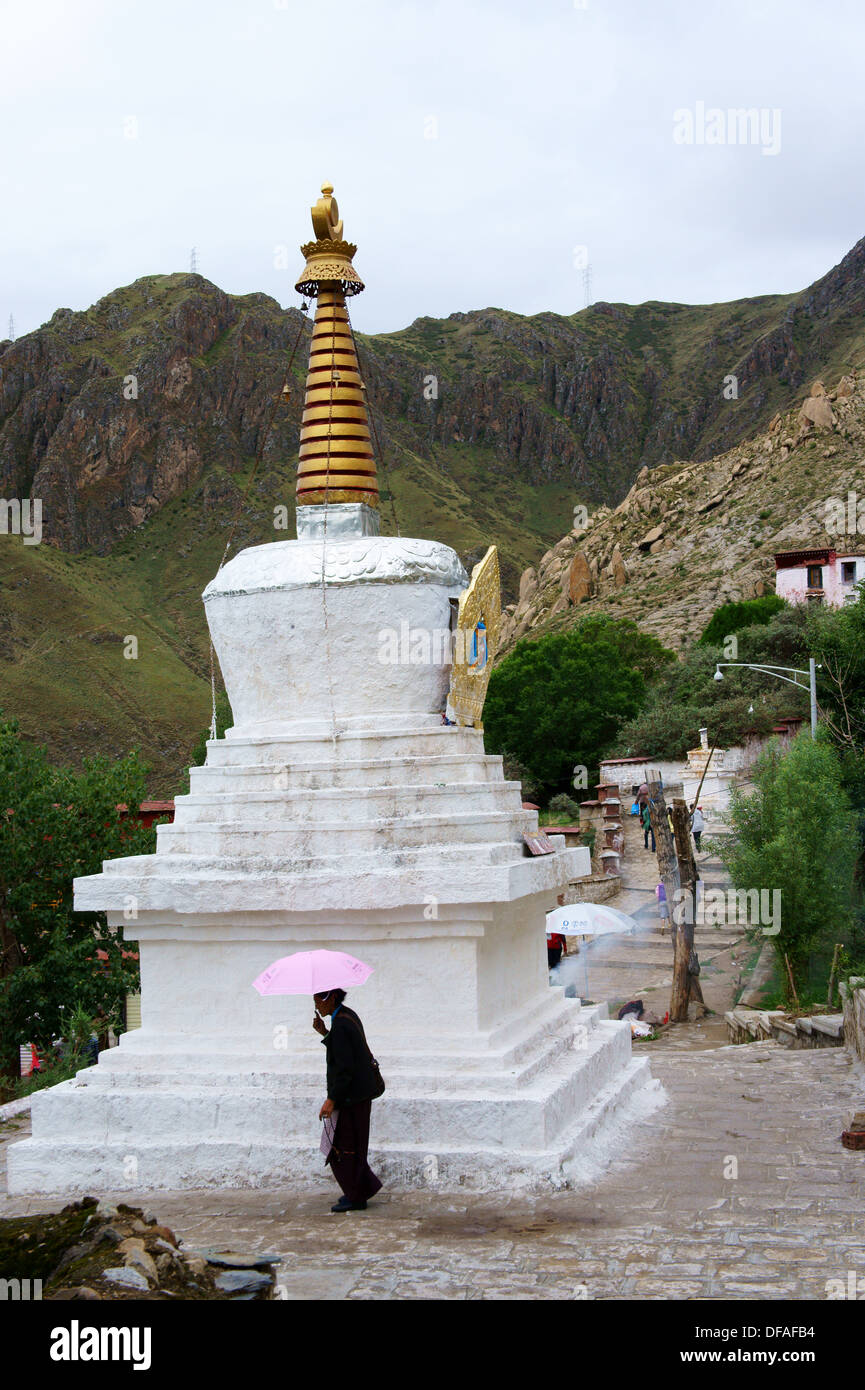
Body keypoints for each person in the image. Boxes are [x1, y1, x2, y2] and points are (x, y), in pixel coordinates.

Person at [313, 989, 383, 1213]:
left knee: (345, 1148)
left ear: (332, 998)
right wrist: (325, 1033)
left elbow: (344, 1068)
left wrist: (332, 1099)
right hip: (359, 1095)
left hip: (351, 1097)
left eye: (319, 1000)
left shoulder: (342, 1025)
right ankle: (358, 1192)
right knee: (354, 1146)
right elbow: (345, 1053)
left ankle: (356, 1196)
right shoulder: (346, 1016)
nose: (317, 1005)